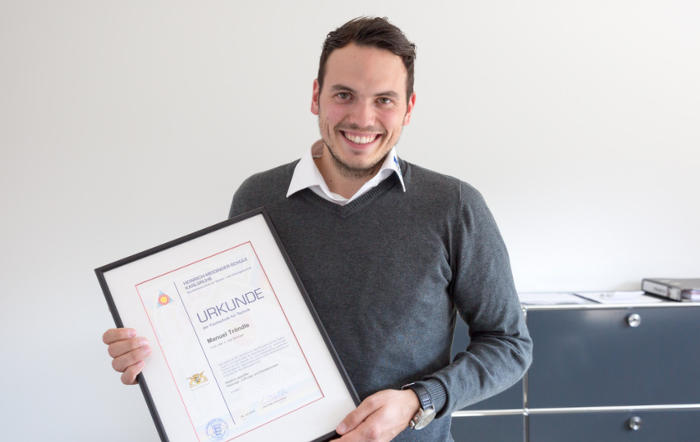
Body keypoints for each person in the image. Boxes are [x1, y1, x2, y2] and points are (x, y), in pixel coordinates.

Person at [103, 16, 533, 442]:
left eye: (384, 100)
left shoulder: (454, 206)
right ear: (316, 97)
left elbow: (509, 344)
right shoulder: (256, 197)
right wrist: (157, 355)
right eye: (344, 95)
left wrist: (419, 401)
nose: (362, 118)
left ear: (409, 108)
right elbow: (228, 332)